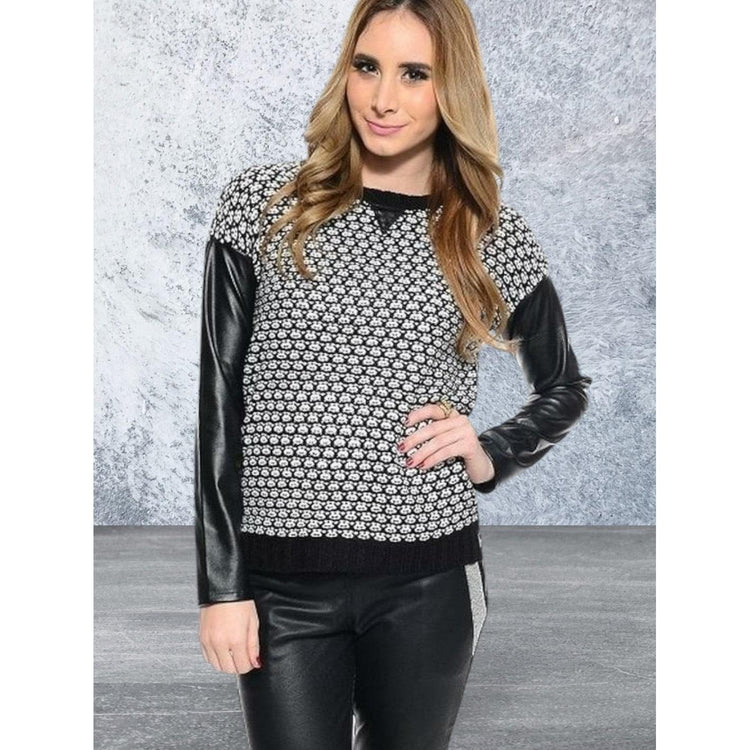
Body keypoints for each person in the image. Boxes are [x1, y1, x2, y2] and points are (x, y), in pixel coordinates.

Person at [193, 0, 592, 748]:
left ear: (452, 88)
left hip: (429, 582)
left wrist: (488, 450)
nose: (383, 98)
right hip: (281, 586)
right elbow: (221, 403)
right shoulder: (262, 207)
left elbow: (565, 387)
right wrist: (222, 588)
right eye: (367, 67)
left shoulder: (486, 234)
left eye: (415, 74)